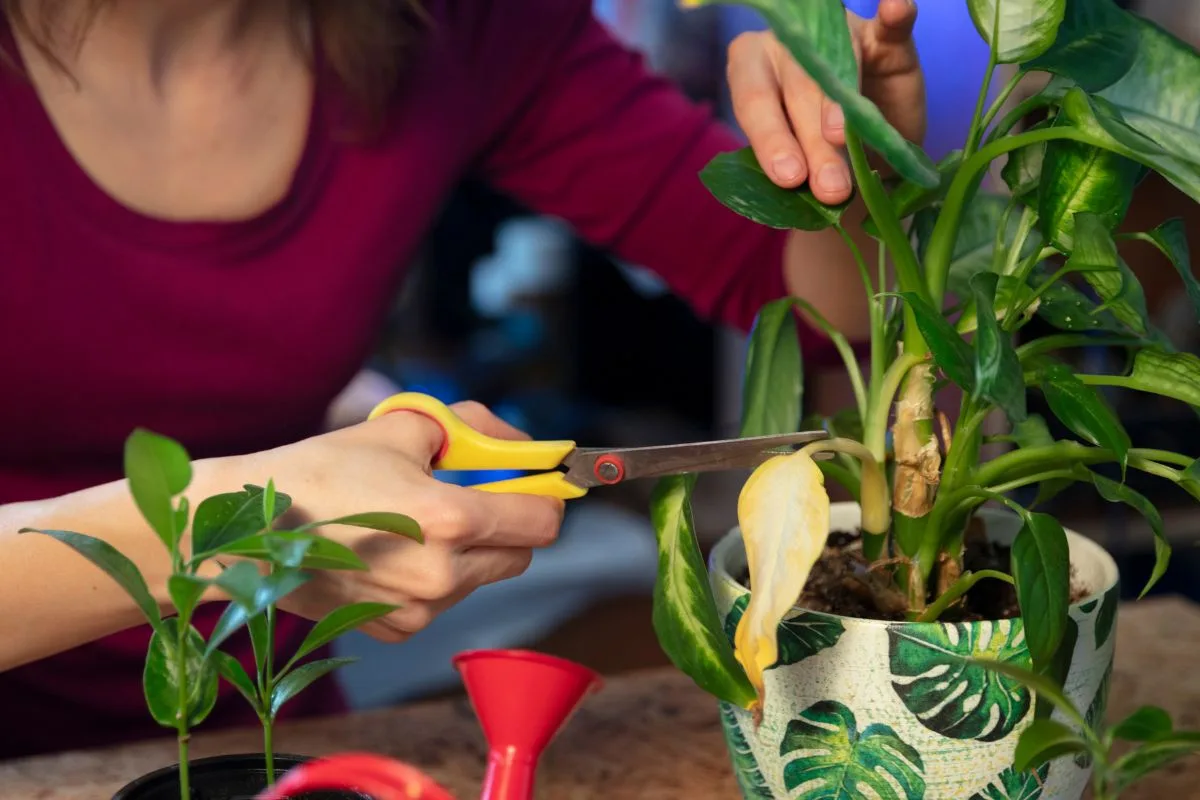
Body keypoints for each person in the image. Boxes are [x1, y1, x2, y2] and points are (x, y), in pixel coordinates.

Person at [0, 0, 925, 758]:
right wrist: (229, 530)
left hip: (262, 729)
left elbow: (798, 292)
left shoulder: (461, 26)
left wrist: (856, 153)